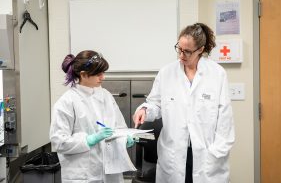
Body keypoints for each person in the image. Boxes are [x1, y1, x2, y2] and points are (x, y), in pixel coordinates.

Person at [133, 23, 235, 183]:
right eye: (179, 48)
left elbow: (225, 118)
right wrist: (145, 110)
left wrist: (217, 151)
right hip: (174, 153)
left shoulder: (217, 74)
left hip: (205, 153)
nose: (181, 55)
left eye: (187, 51)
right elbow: (155, 103)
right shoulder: (166, 72)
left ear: (200, 49)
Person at [50, 50, 136, 183]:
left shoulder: (106, 95)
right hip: (83, 175)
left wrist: (124, 138)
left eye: (103, 73)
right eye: (98, 74)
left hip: (110, 173)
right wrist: (89, 140)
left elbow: (118, 126)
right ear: (83, 75)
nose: (103, 77)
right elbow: (59, 142)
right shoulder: (67, 102)